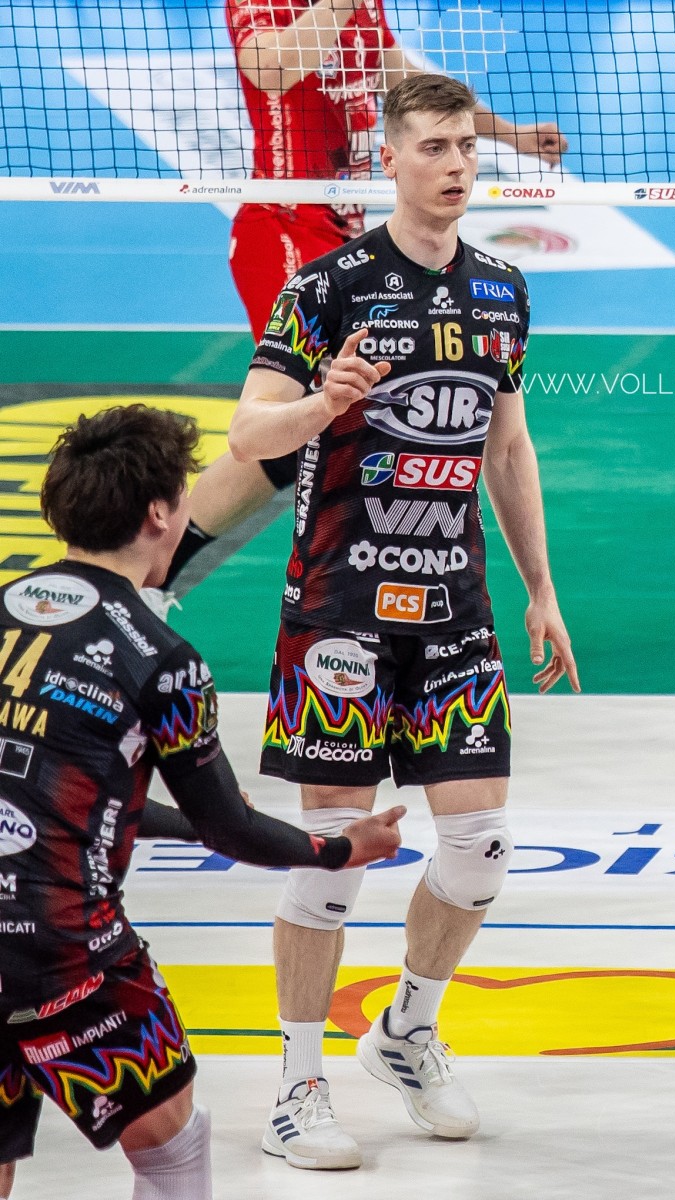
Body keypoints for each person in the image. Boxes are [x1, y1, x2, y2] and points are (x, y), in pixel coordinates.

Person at [225, 73, 579, 1171]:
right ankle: (296, 1089)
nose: (458, 164)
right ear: (389, 159)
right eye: (434, 147)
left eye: (466, 146)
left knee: (480, 850)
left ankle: (406, 1032)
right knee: (331, 858)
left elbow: (507, 448)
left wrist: (541, 588)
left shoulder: (504, 292)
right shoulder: (325, 288)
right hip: (339, 609)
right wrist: (321, 402)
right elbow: (247, 434)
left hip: (455, 609)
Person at [0, 405, 403, 1199]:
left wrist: (184, 821)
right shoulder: (163, 660)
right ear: (160, 514)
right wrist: (339, 849)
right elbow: (231, 827)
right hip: (65, 952)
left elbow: (61, 794)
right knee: (173, 1142)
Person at [143, 0, 568, 612]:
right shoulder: (265, 5)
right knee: (303, 423)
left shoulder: (365, 10)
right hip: (284, 226)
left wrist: (512, 136)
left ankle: (159, 573)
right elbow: (269, 69)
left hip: (345, 231)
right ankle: (152, 575)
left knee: (335, 425)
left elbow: (409, 84)